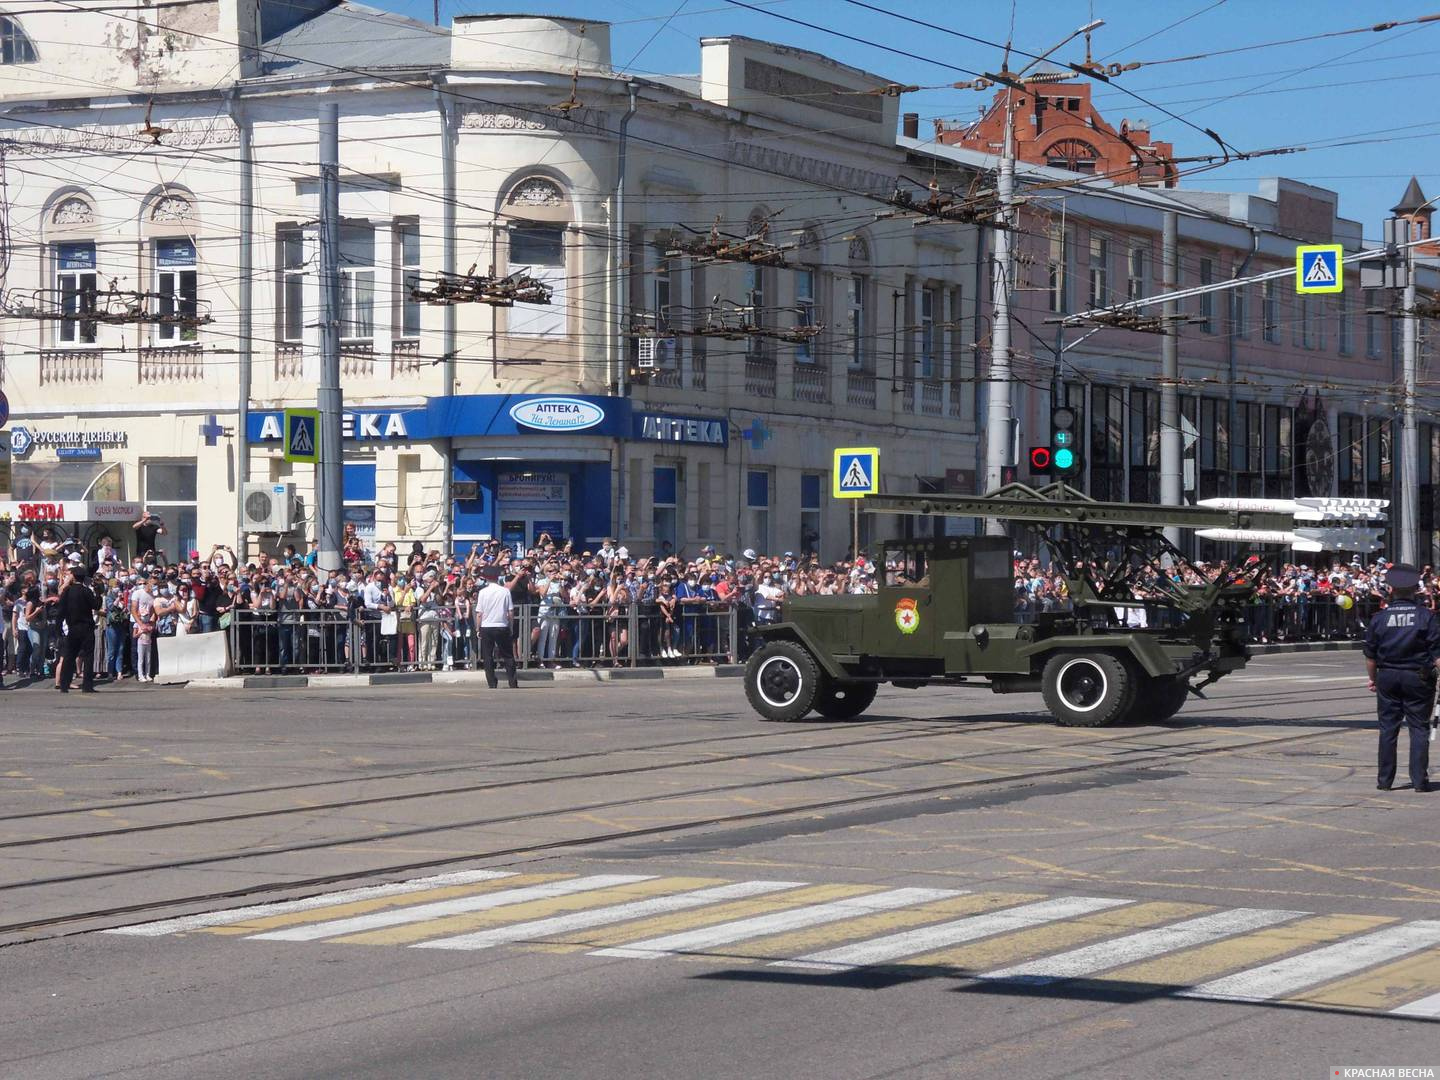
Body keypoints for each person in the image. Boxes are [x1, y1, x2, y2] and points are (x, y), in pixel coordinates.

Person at [1363, 563, 1439, 793]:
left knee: (1388, 729)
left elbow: (1370, 656)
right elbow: (1437, 654)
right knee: (1419, 729)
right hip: (1418, 678)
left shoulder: (1379, 618)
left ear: (1391, 589)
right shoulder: (1427, 616)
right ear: (1415, 589)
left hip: (1387, 676)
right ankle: (1419, 781)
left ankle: (1385, 781)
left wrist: (1373, 679)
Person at [57, 567, 102, 693]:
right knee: (88, 657)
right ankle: (87, 685)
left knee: (69, 656)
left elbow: (61, 611)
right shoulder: (86, 591)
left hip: (73, 627)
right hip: (87, 627)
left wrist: (58, 627)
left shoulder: (67, 592)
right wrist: (98, 594)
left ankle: (64, 684)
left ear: (74, 577)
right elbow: (96, 606)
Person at [476, 568, 518, 689]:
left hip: (487, 626)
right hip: (501, 625)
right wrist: (510, 626)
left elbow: (479, 613)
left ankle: (492, 682)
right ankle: (512, 681)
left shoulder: (483, 592)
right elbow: (510, 611)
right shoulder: (505, 591)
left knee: (488, 656)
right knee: (508, 655)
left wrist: (478, 628)